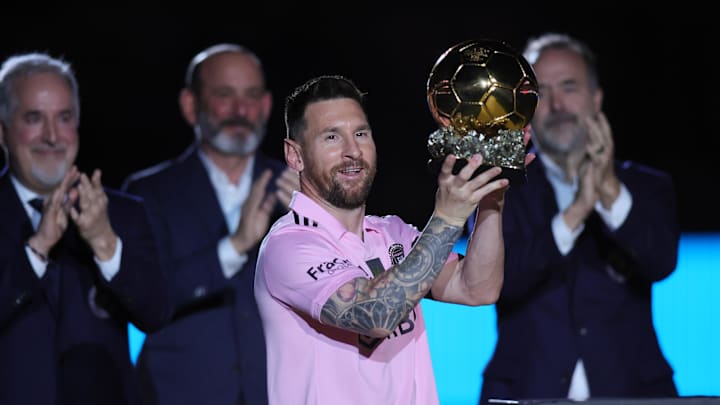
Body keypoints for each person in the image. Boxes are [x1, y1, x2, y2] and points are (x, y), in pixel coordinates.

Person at [255, 75, 525, 405]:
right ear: (295, 156)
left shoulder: (392, 233)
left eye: (360, 134)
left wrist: (491, 198)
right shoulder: (288, 245)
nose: (352, 151)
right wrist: (447, 219)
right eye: (331, 137)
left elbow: (476, 288)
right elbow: (375, 316)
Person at [476, 33, 680, 404]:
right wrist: (574, 214)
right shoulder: (499, 188)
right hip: (525, 392)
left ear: (596, 97)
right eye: (541, 92)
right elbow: (498, 282)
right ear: (524, 109)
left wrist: (608, 193)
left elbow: (660, 261)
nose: (556, 104)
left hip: (635, 393)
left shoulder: (645, 186)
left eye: (569, 87)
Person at [121, 43, 298, 405]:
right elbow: (144, 300)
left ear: (266, 106)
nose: (240, 110)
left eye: (251, 96)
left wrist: (315, 219)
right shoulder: (145, 193)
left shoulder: (301, 192)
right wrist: (234, 246)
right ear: (190, 105)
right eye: (224, 95)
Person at [0, 53, 171, 405]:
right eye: (34, 118)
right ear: (2, 131)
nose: (51, 136)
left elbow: (155, 313)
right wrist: (38, 248)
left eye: (64, 118)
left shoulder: (123, 213)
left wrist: (106, 244)